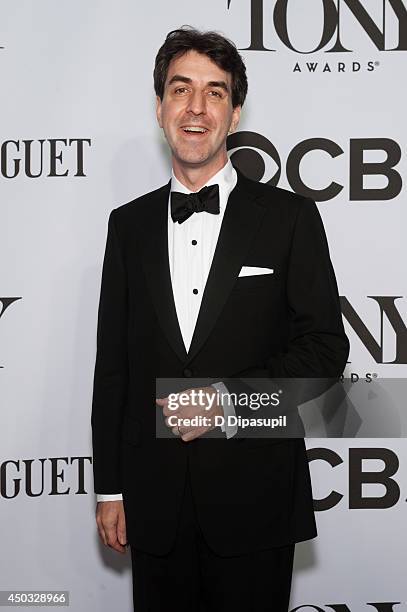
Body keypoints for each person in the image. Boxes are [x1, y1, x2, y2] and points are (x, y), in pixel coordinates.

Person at [91, 26, 349, 611]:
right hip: (153, 508)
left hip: (254, 501)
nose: (196, 108)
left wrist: (229, 401)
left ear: (235, 114)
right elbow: (114, 369)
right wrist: (109, 488)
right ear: (160, 108)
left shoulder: (289, 219)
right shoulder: (126, 227)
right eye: (181, 90)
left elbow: (324, 352)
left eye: (215, 93)